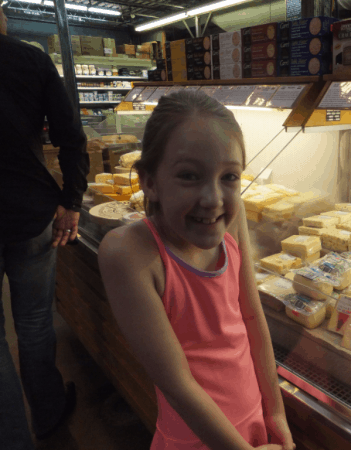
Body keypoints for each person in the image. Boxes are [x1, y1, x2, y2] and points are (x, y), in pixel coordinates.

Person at [98, 90, 295, 450]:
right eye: (189, 176)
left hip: (253, 424)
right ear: (149, 182)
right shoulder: (129, 253)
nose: (213, 199)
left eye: (229, 177)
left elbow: (252, 318)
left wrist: (275, 411)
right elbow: (178, 384)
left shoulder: (231, 225)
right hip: (197, 439)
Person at [0, 5, 88, 450]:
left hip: (26, 211)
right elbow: (70, 134)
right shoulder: (30, 58)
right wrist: (72, 200)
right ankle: (49, 415)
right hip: (30, 213)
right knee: (34, 322)